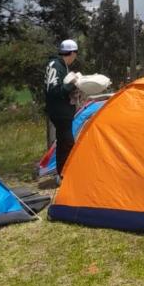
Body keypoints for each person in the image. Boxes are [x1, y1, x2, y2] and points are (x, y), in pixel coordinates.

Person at [45, 39, 80, 181]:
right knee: (68, 144)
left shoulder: (62, 65)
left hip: (63, 111)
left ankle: (62, 174)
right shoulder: (56, 65)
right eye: (75, 54)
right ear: (71, 53)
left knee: (63, 142)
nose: (75, 57)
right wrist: (74, 83)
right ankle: (67, 175)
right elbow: (54, 90)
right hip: (60, 112)